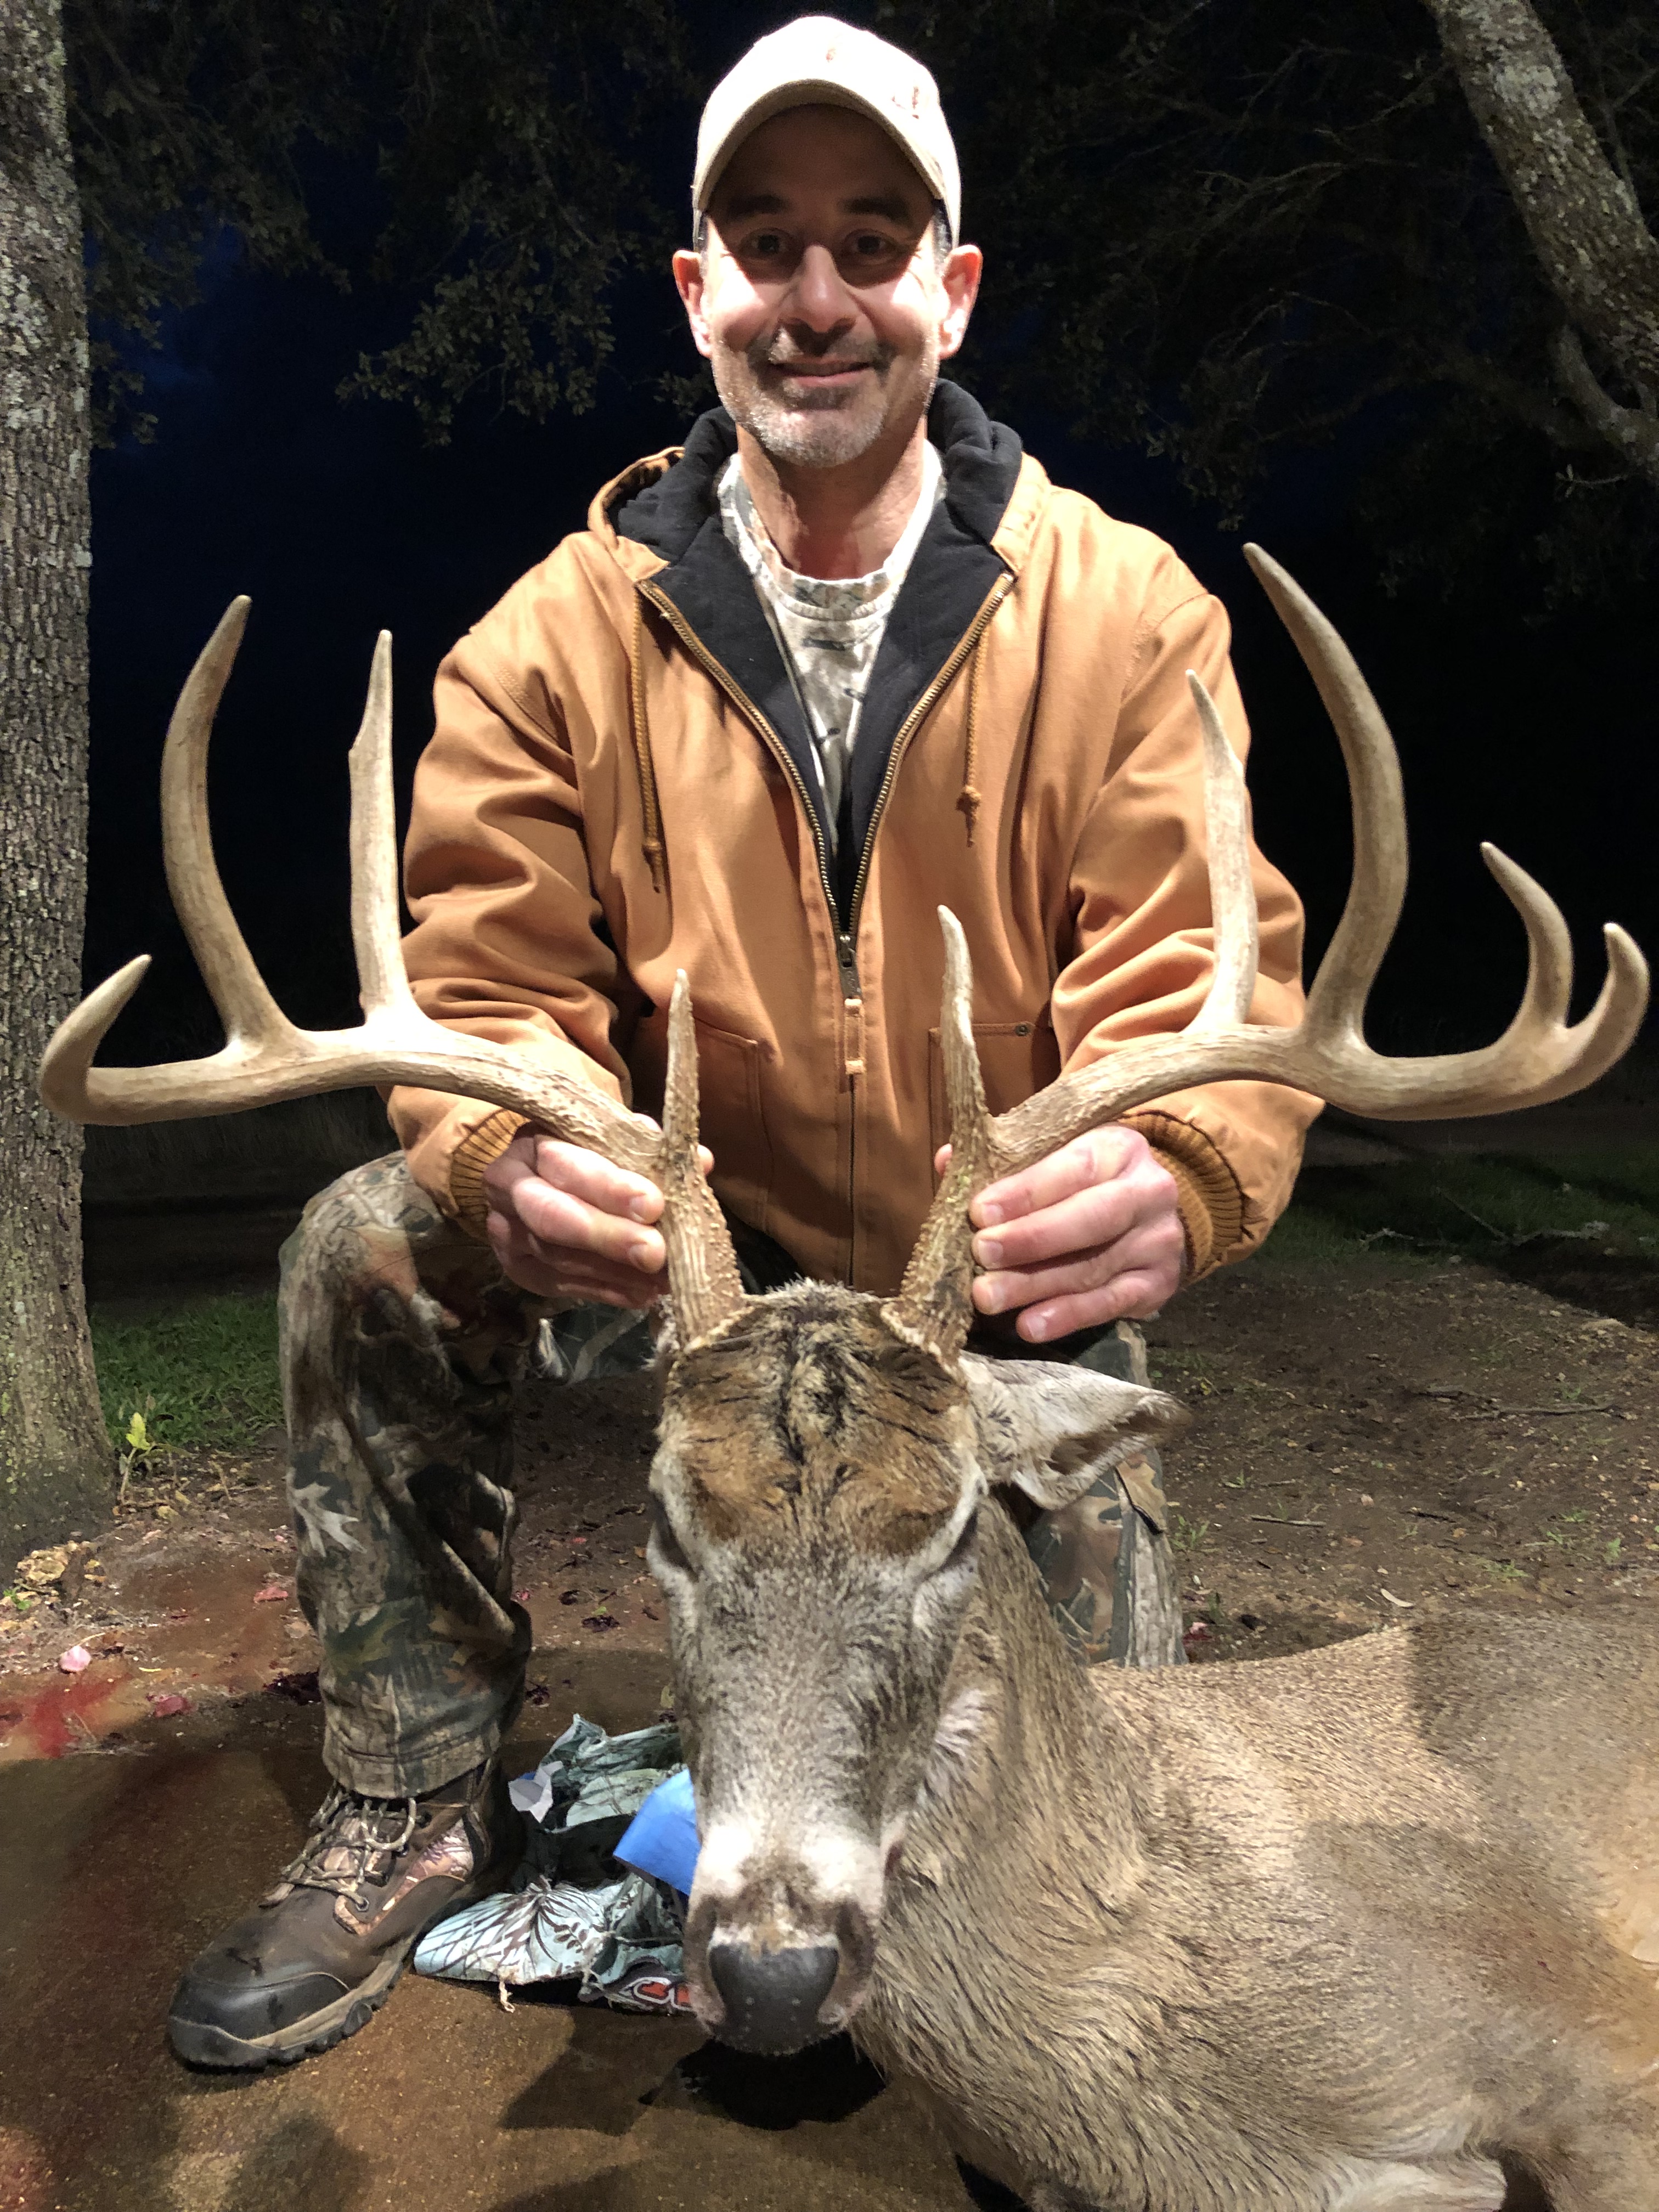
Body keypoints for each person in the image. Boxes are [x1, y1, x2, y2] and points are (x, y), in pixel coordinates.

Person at [167, 16, 1317, 2072]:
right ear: (699, 294)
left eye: (871, 244)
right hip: (684, 1284)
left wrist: (1197, 1166)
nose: (817, 299)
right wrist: (498, 1160)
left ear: (949, 295)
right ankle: (418, 1794)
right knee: (367, 1241)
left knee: (1103, 1855)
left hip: (976, 1303)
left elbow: (1209, 981)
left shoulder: (1127, 620)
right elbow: (483, 983)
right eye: (764, 245)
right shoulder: (560, 636)